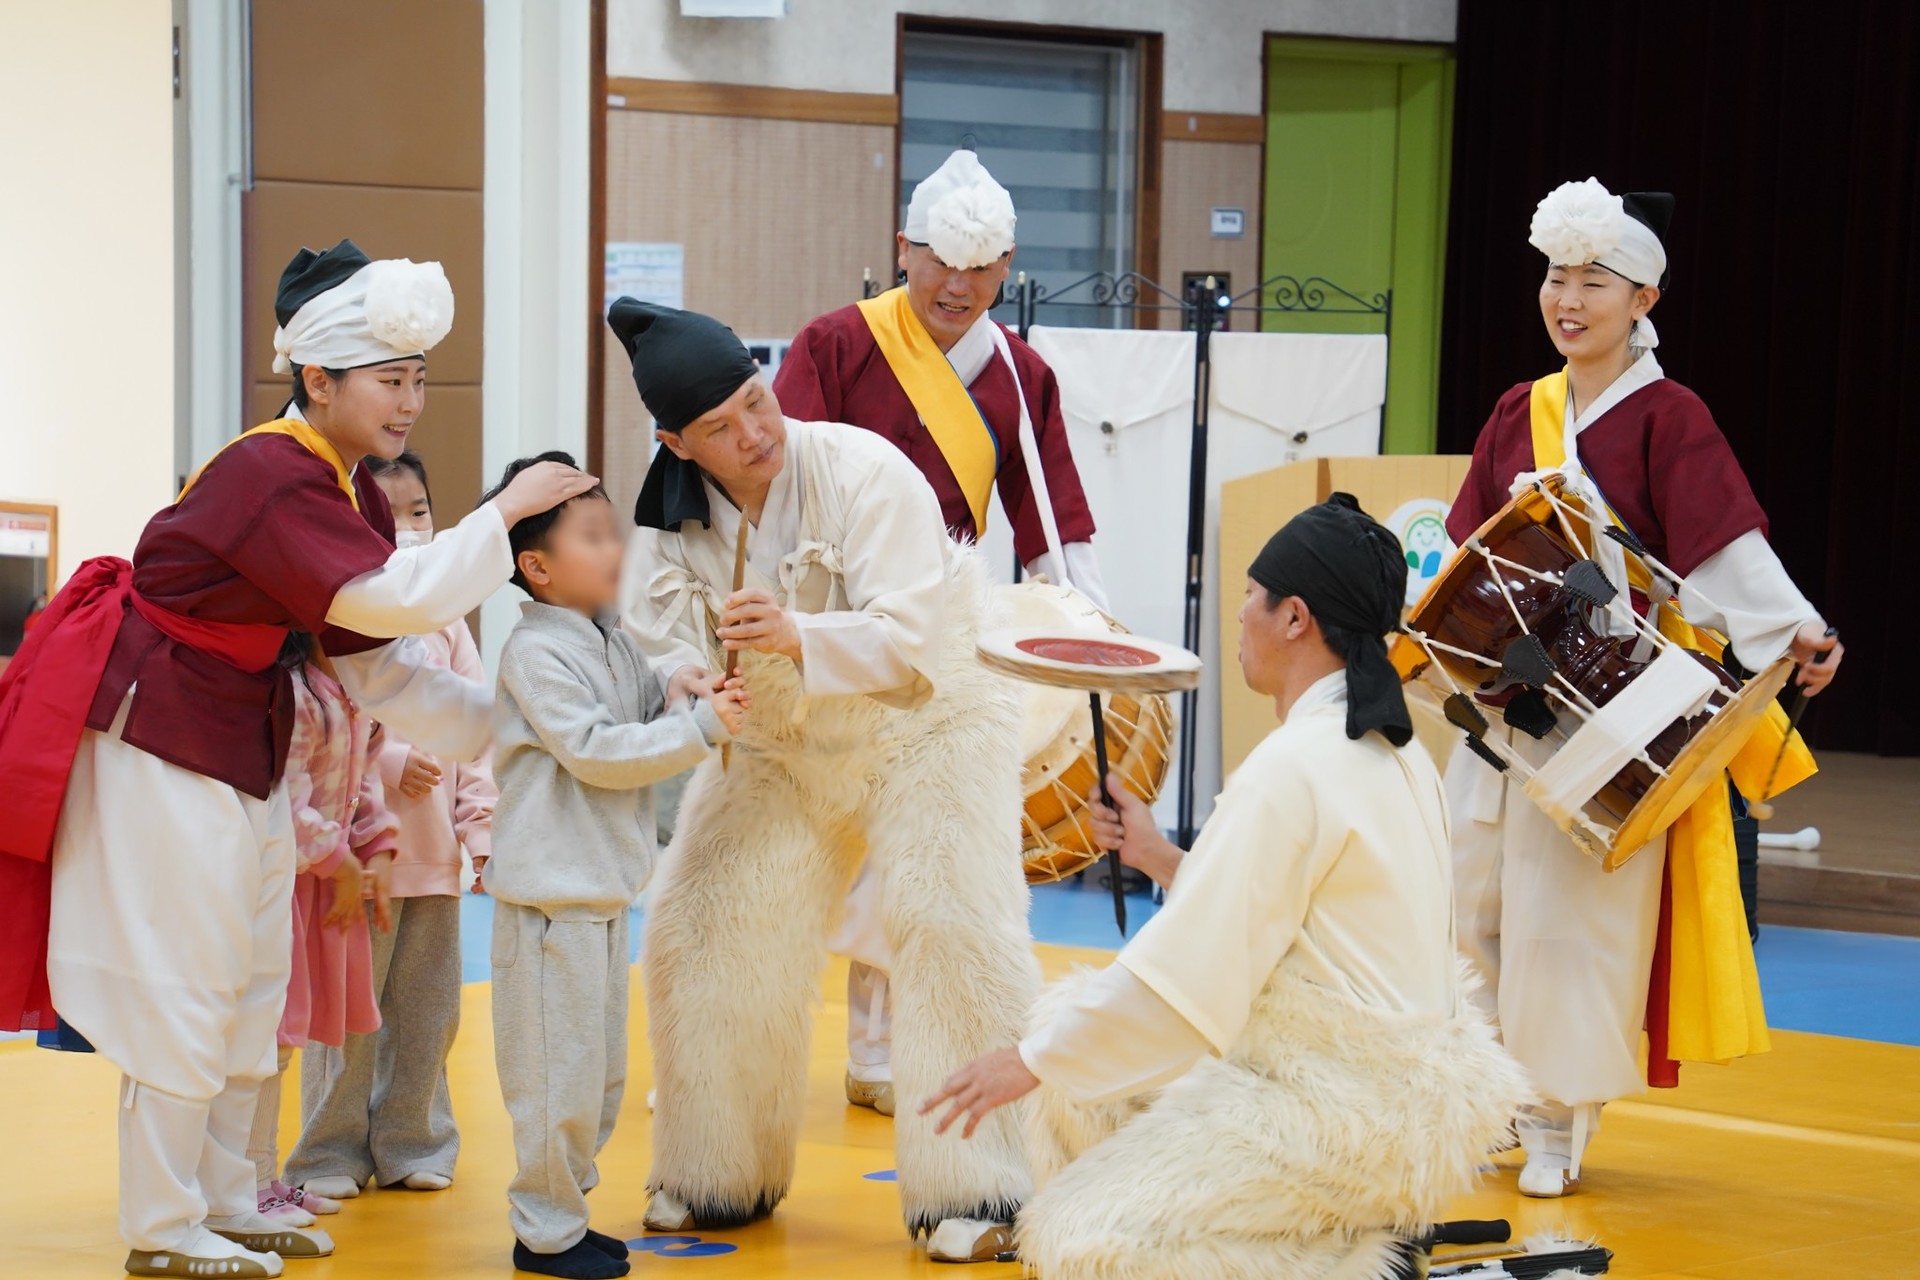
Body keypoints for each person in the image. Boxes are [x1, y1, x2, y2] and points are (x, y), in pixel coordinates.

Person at [0, 238, 595, 1279]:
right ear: (319, 378)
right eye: (389, 378)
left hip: (241, 736)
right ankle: (164, 1223)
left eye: (418, 379)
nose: (410, 401)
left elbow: (382, 672)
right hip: (162, 737)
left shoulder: (342, 486)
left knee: (248, 978)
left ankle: (228, 1196)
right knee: (189, 977)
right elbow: (395, 605)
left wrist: (530, 728)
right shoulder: (268, 473)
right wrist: (505, 510)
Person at [924, 496, 1529, 1278]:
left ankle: (1349, 1261)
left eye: (1251, 594)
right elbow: (1294, 914)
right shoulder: (1389, 748)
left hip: (1345, 1114)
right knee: (1078, 1050)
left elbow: (1189, 981)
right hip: (1390, 1093)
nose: (1238, 613)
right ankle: (1288, 1234)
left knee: (1081, 1238)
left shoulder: (1297, 765)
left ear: (1295, 618)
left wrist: (1028, 1059)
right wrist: (1160, 857)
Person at [614, 299, 1040, 1264]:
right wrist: (684, 673)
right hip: (781, 735)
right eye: (720, 428)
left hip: (927, 710)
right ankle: (718, 1169)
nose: (755, 434)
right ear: (675, 442)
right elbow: (663, 644)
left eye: (756, 402)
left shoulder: (863, 470)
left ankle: (985, 1186)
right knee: (700, 916)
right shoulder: (673, 521)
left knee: (950, 923)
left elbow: (909, 640)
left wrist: (803, 633)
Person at [1445, 179, 1843, 1197]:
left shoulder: (1672, 415)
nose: (1567, 298)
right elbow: (1460, 546)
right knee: (1471, 895)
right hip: (1507, 689)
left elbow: (1726, 552)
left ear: (1644, 300)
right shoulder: (1514, 410)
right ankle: (1486, 1093)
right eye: (1556, 276)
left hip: (1619, 701)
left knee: (1570, 917)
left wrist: (1796, 624)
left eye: (1594, 281)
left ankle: (1554, 1115)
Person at [773, 148, 1107, 1119]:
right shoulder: (835, 342)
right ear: (902, 249)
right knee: (792, 837)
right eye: (938, 260)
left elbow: (1053, 523)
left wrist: (1087, 632)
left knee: (913, 841)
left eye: (982, 264)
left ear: (1008, 264)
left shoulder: (1020, 371)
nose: (957, 285)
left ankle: (882, 1041)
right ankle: (748, 1034)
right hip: (828, 615)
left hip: (937, 632)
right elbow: (784, 486)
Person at [483, 451, 746, 1280]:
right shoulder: (535, 653)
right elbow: (597, 750)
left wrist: (682, 682)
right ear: (537, 568)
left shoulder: (606, 635)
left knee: (597, 1080)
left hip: (598, 900)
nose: (613, 548)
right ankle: (543, 1231)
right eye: (592, 536)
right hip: (550, 908)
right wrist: (703, 730)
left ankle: (566, 1212)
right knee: (555, 1081)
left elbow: (640, 700)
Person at [285, 451, 496, 1202]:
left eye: (420, 513)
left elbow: (478, 734)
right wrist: (393, 761)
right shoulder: (339, 625)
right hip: (357, 863)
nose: (409, 530)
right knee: (345, 1017)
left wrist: (482, 833)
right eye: (390, 514)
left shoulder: (447, 625)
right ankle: (326, 1151)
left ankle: (415, 1139)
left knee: (429, 1013)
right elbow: (330, 741)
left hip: (434, 861)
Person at [245, 634, 398, 1241]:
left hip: (320, 884)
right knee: (266, 1038)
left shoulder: (358, 695)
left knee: (283, 1043)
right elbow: (285, 798)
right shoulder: (300, 694)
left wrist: (378, 844)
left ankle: (263, 1177)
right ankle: (249, 1185)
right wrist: (340, 858)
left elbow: (365, 787)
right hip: (288, 886)